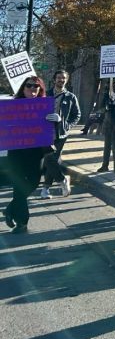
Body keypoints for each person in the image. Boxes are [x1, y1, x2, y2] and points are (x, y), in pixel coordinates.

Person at [4, 76, 51, 233]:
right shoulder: (12, 106)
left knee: (33, 182)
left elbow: (49, 129)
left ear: (40, 89)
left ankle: (10, 209)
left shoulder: (44, 106)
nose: (33, 89)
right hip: (16, 152)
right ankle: (22, 223)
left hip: (35, 152)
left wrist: (54, 120)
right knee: (18, 186)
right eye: (29, 86)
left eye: (36, 86)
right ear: (23, 88)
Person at [41, 69, 80, 198]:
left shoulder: (70, 97)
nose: (61, 80)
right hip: (45, 132)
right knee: (51, 159)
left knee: (50, 159)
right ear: (54, 79)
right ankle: (62, 180)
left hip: (60, 133)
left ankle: (45, 189)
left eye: (63, 78)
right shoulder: (46, 95)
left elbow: (77, 115)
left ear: (66, 80)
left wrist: (66, 124)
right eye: (58, 78)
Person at [98, 78, 115, 173]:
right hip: (108, 123)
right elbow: (101, 107)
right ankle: (105, 165)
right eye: (111, 84)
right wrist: (106, 105)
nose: (112, 85)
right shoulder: (108, 94)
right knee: (107, 146)